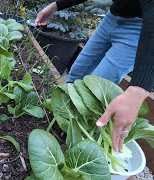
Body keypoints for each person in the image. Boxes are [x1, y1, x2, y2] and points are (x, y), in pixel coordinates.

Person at [35, 0, 153, 152]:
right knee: (77, 72)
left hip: (140, 28)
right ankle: (60, 122)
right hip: (111, 18)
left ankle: (75, 145)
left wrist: (139, 89)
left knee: (96, 89)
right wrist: (56, 5)